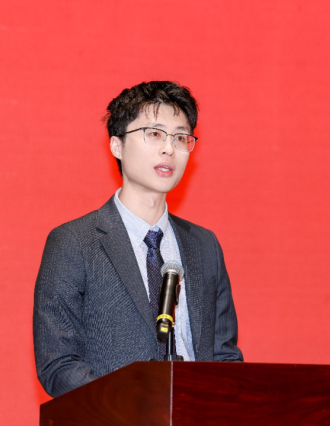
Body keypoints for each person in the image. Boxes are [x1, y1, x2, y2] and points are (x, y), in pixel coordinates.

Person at [33, 81, 243, 398]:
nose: (169, 148)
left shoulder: (204, 246)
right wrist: (131, 408)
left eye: (180, 137)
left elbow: (225, 358)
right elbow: (58, 364)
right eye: (155, 134)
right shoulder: (73, 242)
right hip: (112, 416)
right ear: (116, 146)